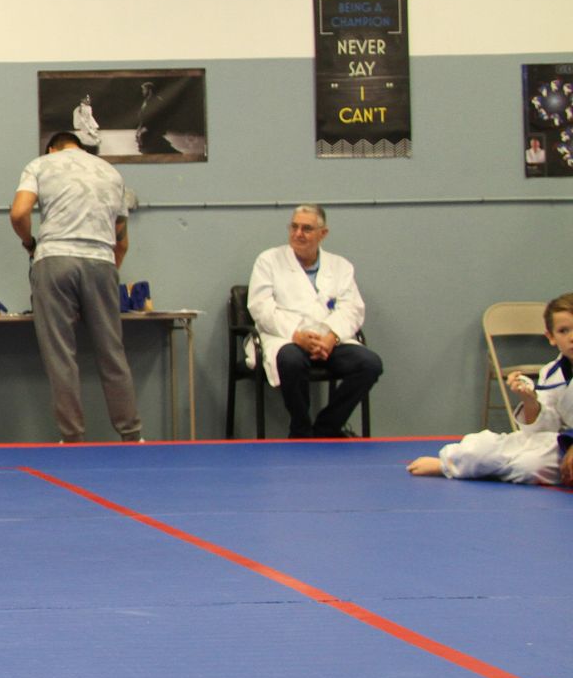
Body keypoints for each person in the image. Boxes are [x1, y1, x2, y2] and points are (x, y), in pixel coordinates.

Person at [9, 130, 142, 442]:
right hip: (101, 261)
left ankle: (72, 437)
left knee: (61, 354)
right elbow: (120, 237)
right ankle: (132, 434)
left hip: (55, 258)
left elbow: (19, 212)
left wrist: (30, 243)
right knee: (112, 351)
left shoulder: (41, 164)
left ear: (53, 148)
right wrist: (105, 277)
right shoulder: (110, 172)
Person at [246, 205, 383, 439]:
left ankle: (326, 428)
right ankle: (300, 429)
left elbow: (352, 309)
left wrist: (332, 337)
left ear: (323, 233)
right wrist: (297, 335)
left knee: (370, 364)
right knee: (290, 360)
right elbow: (261, 308)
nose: (298, 233)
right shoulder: (268, 260)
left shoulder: (340, 266)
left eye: (307, 228)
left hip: (329, 341)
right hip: (285, 338)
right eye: (294, 227)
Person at [409, 294, 573, 487]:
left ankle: (476, 471)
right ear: (551, 337)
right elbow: (544, 431)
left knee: (529, 467)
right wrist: (530, 401)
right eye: (564, 330)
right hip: (562, 444)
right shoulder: (552, 373)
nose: (572, 337)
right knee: (484, 448)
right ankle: (450, 463)